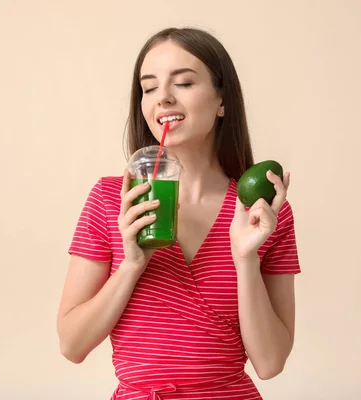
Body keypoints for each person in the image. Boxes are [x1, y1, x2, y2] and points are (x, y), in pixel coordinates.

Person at [57, 27, 301, 400]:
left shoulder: (262, 213)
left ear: (223, 100)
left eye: (184, 83)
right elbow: (72, 346)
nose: (163, 99)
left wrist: (245, 259)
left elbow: (270, 364)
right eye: (149, 87)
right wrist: (131, 265)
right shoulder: (111, 199)